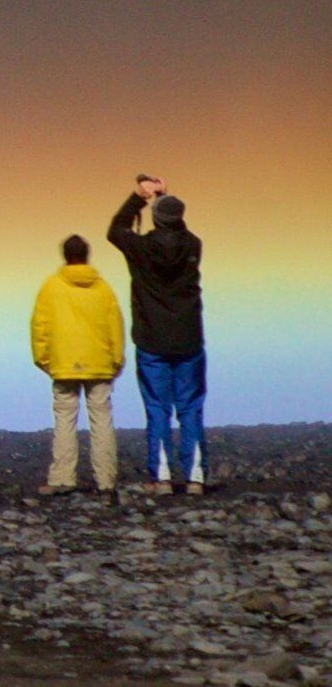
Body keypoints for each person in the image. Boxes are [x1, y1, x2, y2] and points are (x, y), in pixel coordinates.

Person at [108, 176, 208, 492]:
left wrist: (140, 197)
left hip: (152, 339)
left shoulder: (142, 249)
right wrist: (166, 199)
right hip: (189, 337)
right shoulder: (193, 245)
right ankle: (195, 476)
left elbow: (116, 231)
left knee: (157, 407)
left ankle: (161, 476)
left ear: (156, 218)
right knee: (190, 406)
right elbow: (179, 232)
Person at [30, 233, 126, 492]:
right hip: (100, 364)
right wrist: (116, 359)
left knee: (64, 419)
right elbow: (115, 324)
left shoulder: (51, 286)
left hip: (63, 364)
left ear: (65, 255)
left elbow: (40, 325)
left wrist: (44, 360)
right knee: (102, 419)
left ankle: (62, 478)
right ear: (87, 255)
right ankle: (106, 480)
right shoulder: (103, 288)